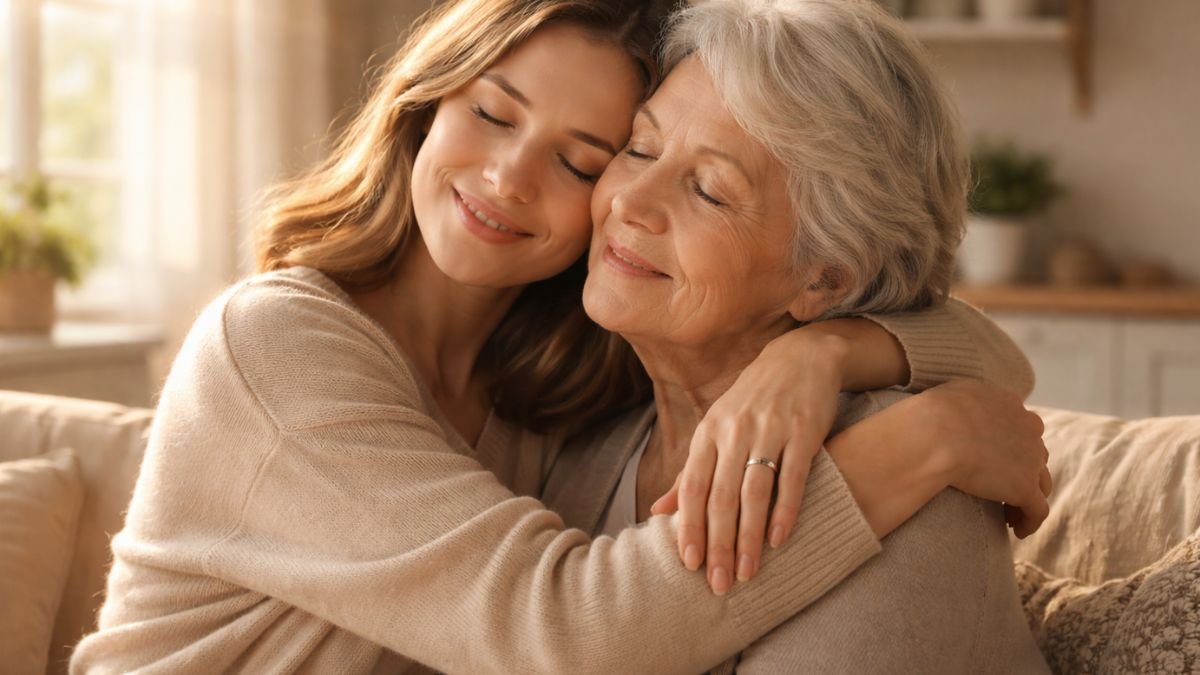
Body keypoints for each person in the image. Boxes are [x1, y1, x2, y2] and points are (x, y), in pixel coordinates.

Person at [71, 1, 1048, 673]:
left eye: (588, 156)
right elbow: (562, 633)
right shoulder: (272, 342)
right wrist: (926, 441)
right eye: (639, 152)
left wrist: (832, 352)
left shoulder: (559, 384)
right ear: (424, 99)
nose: (506, 179)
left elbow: (981, 348)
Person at [543, 0, 1050, 671]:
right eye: (640, 148)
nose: (630, 202)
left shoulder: (919, 501)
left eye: (710, 192)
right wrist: (831, 349)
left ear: (826, 281)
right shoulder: (584, 429)